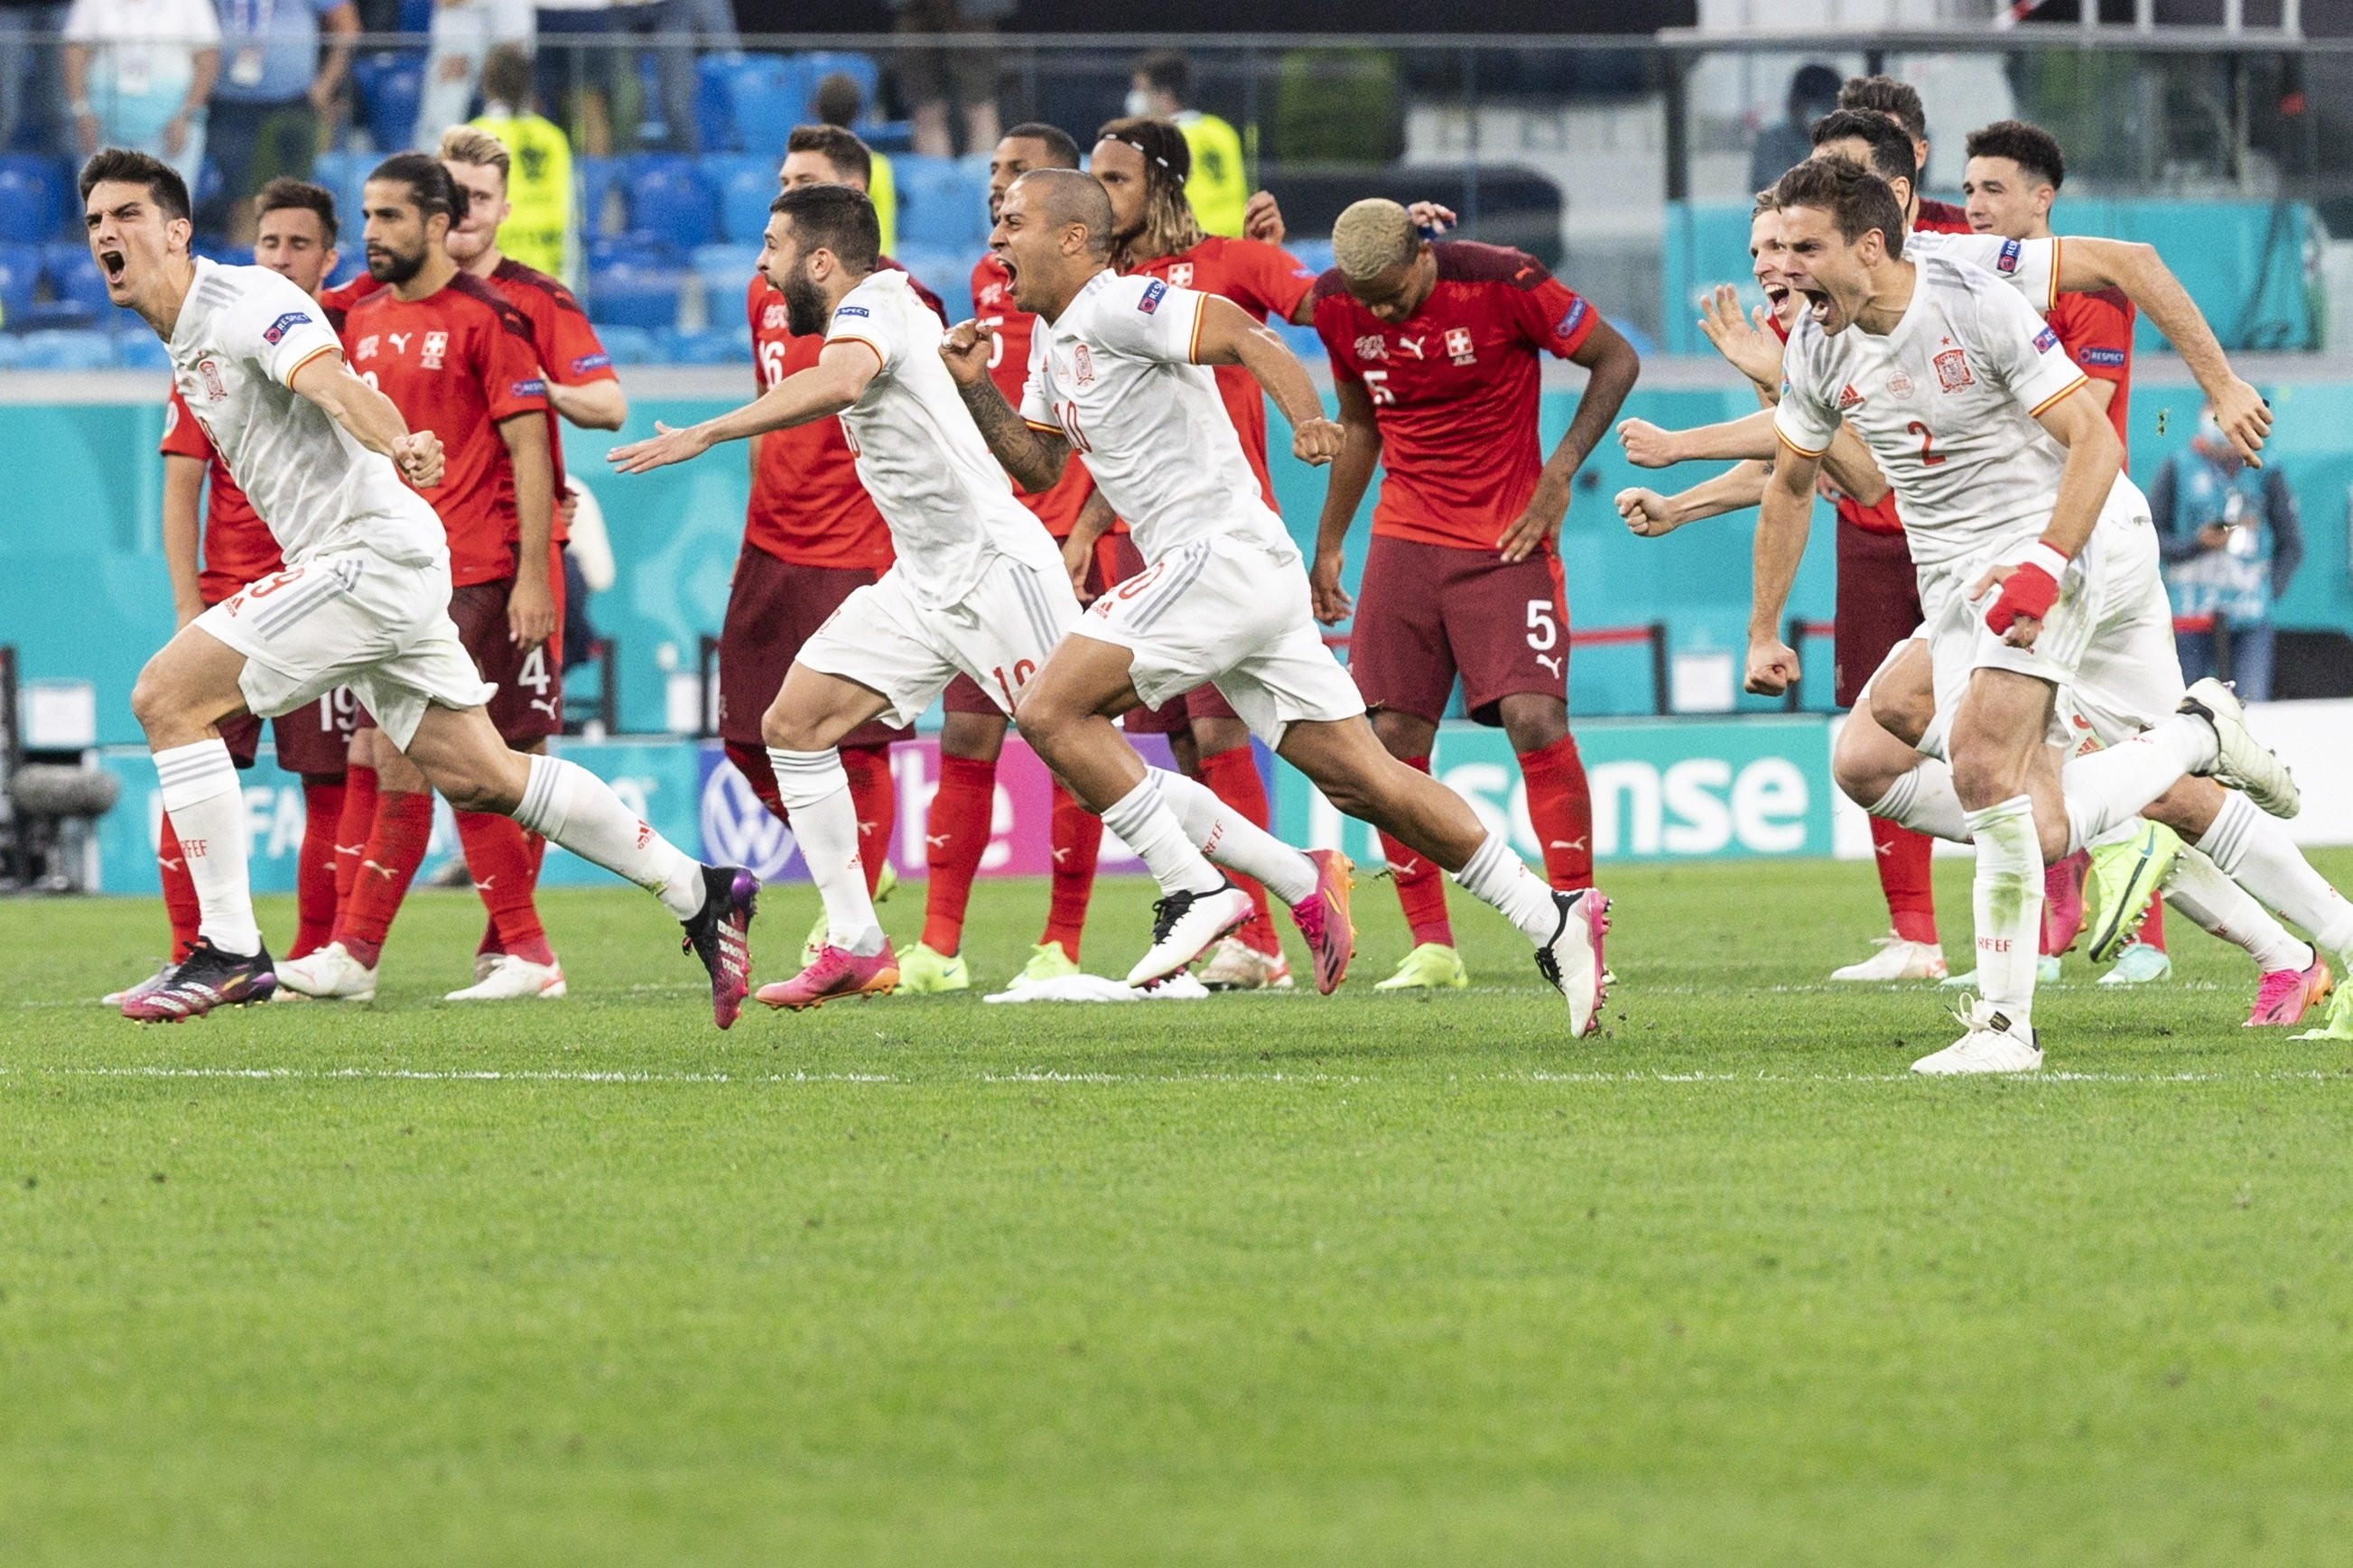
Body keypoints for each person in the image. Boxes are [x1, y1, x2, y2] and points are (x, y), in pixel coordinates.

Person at [85, 147, 758, 1025]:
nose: (108, 233)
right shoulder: (182, 335)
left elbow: (330, 382)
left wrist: (398, 441)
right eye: (96, 221)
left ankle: (228, 949)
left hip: (364, 556)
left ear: (176, 231)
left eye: (127, 215)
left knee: (166, 696)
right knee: (481, 773)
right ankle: (699, 888)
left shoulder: (245, 301)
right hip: (384, 562)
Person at [949, 168, 1611, 1031]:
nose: (997, 242)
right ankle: (1552, 918)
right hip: (1238, 576)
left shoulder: (1122, 305)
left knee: (1048, 710)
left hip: (1215, 559)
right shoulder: (1050, 341)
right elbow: (1039, 465)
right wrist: (971, 382)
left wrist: (1307, 418)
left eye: (1012, 223)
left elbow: (1246, 337)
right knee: (1368, 780)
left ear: (1073, 237)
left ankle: (1197, 885)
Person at [1750, 156, 2310, 1073]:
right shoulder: (1816, 340)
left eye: (1799, 246)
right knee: (1895, 757)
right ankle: (2265, 886)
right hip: (1961, 570)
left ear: (1876, 223)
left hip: (2062, 536)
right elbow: (1804, 474)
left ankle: (2007, 1025)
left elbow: (2104, 391)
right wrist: (1760, 626)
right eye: (1772, 246)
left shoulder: (1976, 279)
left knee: (1995, 778)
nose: (1781, 266)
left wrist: (2216, 388)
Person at [605, 182, 1141, 1007]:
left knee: (1079, 753)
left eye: (773, 245)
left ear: (821, 259)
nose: (758, 263)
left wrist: (707, 430)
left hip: (994, 568)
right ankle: (855, 939)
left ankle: (1236, 880)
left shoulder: (874, 305)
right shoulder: (884, 307)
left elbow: (845, 380)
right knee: (792, 724)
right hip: (926, 581)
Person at [1306, 199, 1637, 992]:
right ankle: (1432, 946)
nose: (1381, 312)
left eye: (1394, 293)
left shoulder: (1504, 280)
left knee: (1534, 715)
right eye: (1369, 300)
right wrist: (1328, 542)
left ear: (1426, 251)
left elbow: (1616, 358)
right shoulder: (1335, 304)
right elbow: (1360, 424)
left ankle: (1574, 918)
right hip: (1405, 535)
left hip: (1505, 534)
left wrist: (1558, 476)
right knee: (1385, 739)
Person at [266, 153, 572, 1003]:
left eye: (391, 217)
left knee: (422, 757)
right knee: (381, 751)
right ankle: (372, 955)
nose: (372, 233)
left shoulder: (488, 317)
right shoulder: (355, 318)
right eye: (367, 216)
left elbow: (530, 449)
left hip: (469, 568)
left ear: (439, 225)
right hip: (388, 572)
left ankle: (396, 954)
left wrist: (533, 576)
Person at [898, 120, 1161, 995]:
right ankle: (938, 945)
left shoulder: (1105, 301)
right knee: (967, 731)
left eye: (1015, 176)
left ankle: (1063, 942)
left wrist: (1086, 531)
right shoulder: (989, 283)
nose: (995, 189)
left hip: (1078, 547)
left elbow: (1125, 435)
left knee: (1069, 735)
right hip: (997, 543)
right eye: (992, 174)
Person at [1075, 114, 1323, 990]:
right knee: (1180, 748)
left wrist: (1384, 241)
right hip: (1148, 545)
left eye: (1114, 179)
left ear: (1162, 188)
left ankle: (1257, 931)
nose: (1097, 196)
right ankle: (1254, 931)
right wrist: (1080, 529)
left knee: (1221, 731)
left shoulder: (1232, 263)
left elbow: (1321, 306)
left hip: (1226, 543)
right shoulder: (1097, 291)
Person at [106, 178, 353, 1011]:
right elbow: (181, 483)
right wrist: (187, 601)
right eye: (268, 242)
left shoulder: (335, 338)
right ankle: (199, 953)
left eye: (297, 244)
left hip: (329, 576)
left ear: (330, 256)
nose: (280, 257)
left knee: (330, 775)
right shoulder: (207, 332)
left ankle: (318, 955)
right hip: (235, 589)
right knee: (187, 744)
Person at [707, 124, 944, 970]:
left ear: (848, 202)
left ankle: (852, 917)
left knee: (859, 740)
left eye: (801, 182)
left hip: (853, 541)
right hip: (769, 538)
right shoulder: (758, 291)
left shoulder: (900, 299)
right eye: (779, 180)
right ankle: (850, 867)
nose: (781, 198)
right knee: (743, 736)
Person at [2153, 404, 2302, 702]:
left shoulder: (2267, 469)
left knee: (2251, 704)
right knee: (2186, 705)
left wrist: (2269, 590)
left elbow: (2291, 543)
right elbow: (2153, 538)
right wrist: (2196, 544)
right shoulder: (2178, 466)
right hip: (2190, 612)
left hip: (2249, 614)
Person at [205, 0, 359, 242]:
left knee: (285, 203)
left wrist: (324, 88)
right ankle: (244, 268)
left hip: (291, 105)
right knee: (241, 204)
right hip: (230, 106)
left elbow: (347, 27)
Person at [61, 0, 217, 186]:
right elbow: (75, 51)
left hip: (171, 128)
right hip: (104, 129)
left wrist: (186, 115)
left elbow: (208, 57)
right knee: (105, 210)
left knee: (166, 209)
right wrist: (82, 112)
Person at [470, 43, 572, 283]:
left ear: (487, 84)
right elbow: (569, 209)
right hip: (547, 274)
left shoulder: (472, 136)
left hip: (491, 276)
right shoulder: (553, 136)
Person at [1127, 50, 1246, 239]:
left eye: (1142, 90)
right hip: (1235, 237)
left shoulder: (1159, 139)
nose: (1135, 98)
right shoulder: (1222, 130)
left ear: (1164, 95)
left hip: (1192, 241)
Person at [1837, 74, 1970, 231]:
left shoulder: (1968, 233)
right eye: (1858, 150)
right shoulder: (1819, 234)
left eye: (1888, 149)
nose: (1871, 162)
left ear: (1919, 155)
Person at [888, 0, 1004, 158]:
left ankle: (981, 181)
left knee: (979, 108)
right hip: (913, 9)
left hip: (974, 10)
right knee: (925, 111)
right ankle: (936, 180)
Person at [415, 0, 532, 152]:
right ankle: (432, 166)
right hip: (461, 32)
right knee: (446, 111)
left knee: (509, 107)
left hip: (509, 26)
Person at [812, 70, 895, 254]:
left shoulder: (801, 167)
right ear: (858, 112)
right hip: (873, 270)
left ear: (815, 109)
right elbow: (884, 231)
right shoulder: (878, 165)